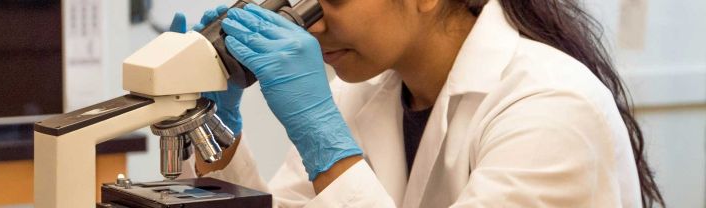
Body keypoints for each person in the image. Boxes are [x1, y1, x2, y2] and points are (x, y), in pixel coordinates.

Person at [169, 0, 665, 207]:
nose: (310, 23)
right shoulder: (358, 95)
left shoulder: (552, 109)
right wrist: (216, 133)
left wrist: (327, 146)